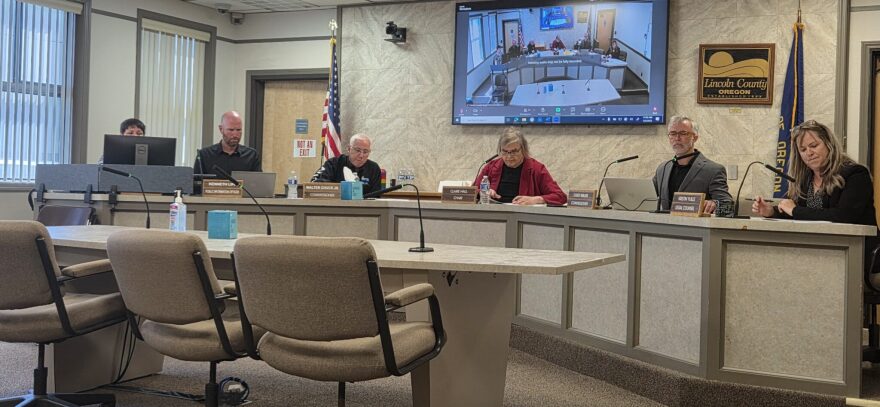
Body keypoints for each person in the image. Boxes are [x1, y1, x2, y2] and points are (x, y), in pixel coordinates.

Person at [752, 120, 877, 226]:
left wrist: (795, 210)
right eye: (803, 149)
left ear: (829, 145)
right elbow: (799, 214)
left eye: (814, 146)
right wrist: (771, 212)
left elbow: (843, 216)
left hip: (859, 250)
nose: (809, 153)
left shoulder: (856, 174)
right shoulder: (805, 179)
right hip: (818, 248)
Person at [653, 115, 732, 214]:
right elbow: (648, 197)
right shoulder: (663, 168)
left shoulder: (713, 170)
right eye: (673, 133)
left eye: (683, 133)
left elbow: (727, 205)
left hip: (695, 228)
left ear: (694, 138)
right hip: (662, 227)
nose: (677, 138)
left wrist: (714, 203)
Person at [473, 127, 567, 205]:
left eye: (514, 151)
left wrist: (535, 200)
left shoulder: (537, 169)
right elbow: (470, 194)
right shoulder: (491, 167)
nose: (509, 156)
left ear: (523, 149)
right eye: (505, 151)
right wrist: (485, 193)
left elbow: (560, 196)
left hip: (524, 218)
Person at [193, 110, 261, 176]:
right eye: (231, 130)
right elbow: (195, 184)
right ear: (221, 129)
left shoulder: (251, 156)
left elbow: (258, 184)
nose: (235, 134)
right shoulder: (204, 155)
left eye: (238, 130)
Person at [311, 133, 381, 194]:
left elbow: (376, 195)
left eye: (365, 152)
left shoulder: (373, 168)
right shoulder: (333, 163)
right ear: (349, 149)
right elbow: (315, 182)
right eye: (358, 150)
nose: (361, 155)